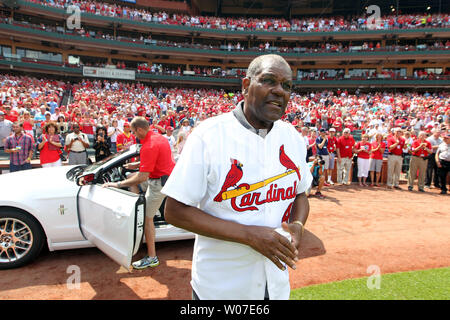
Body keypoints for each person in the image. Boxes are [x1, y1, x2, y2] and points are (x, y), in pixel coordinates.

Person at [161, 54, 312, 300]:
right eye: (269, 81)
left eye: (286, 86)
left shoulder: (293, 137)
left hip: (275, 284)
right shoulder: (208, 135)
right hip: (221, 287)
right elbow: (174, 210)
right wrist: (249, 235)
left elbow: (300, 195)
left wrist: (298, 225)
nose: (279, 91)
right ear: (245, 86)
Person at [103, 117, 175, 270]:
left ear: (140, 130)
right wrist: (136, 164)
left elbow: (142, 176)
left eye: (134, 132)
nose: (134, 134)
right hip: (163, 177)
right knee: (131, 176)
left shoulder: (149, 145)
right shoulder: (158, 137)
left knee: (147, 219)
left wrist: (117, 184)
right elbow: (154, 159)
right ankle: (139, 207)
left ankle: (152, 257)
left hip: (158, 184)